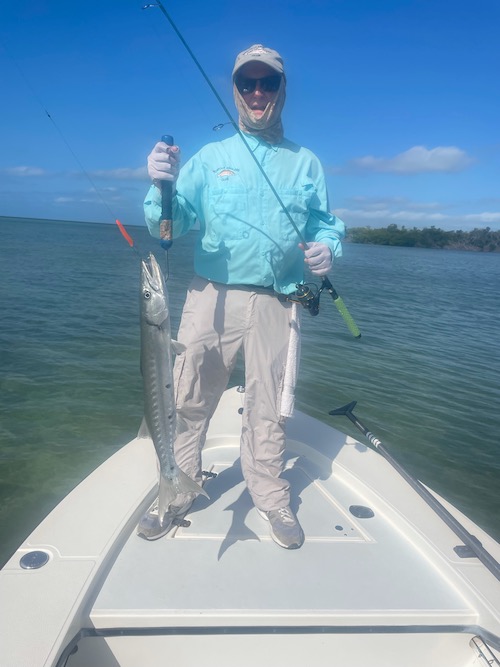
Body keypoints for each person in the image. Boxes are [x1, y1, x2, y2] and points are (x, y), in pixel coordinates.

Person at [141, 44, 345, 549]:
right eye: (247, 83)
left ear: (281, 90)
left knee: (269, 407)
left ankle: (271, 497)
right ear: (235, 90)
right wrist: (160, 184)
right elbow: (168, 226)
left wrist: (328, 249)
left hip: (280, 299)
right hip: (211, 295)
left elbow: (325, 225)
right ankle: (176, 488)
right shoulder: (211, 158)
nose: (257, 92)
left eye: (267, 82)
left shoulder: (306, 163)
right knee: (187, 397)